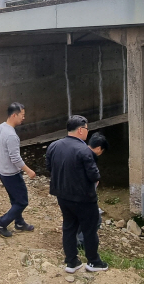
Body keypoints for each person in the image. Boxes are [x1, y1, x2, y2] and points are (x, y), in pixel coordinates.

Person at [46, 115, 109, 273]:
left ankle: (71, 262)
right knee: (89, 229)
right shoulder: (84, 150)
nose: (87, 132)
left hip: (62, 195)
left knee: (69, 227)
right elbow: (94, 176)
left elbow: (49, 167)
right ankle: (93, 262)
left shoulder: (54, 145)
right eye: (87, 129)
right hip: (84, 198)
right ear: (81, 130)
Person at [0, 102, 37, 238]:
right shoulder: (11, 136)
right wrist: (28, 170)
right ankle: (1, 223)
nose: (23, 118)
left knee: (15, 200)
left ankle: (19, 223)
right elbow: (15, 158)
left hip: (2, 171)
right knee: (22, 201)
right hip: (11, 174)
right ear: (14, 115)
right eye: (22, 115)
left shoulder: (1, 127)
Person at [76, 132, 110, 248]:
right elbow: (92, 178)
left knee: (77, 219)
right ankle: (80, 243)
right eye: (102, 151)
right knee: (96, 220)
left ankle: (73, 240)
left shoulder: (80, 151)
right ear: (99, 148)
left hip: (70, 194)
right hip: (83, 196)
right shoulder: (90, 158)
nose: (101, 153)